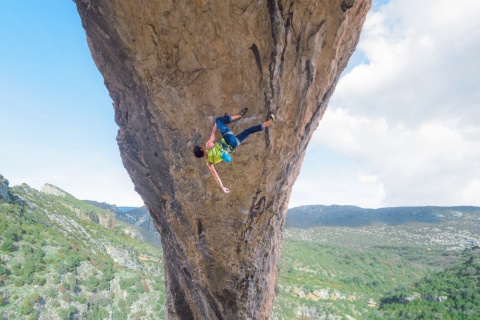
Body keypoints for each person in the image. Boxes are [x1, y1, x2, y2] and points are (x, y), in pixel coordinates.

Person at [193, 108, 276, 193]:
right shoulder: (208, 146)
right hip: (228, 138)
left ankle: (270, 122)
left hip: (233, 145)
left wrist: (223, 188)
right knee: (218, 120)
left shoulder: (209, 163)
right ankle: (239, 116)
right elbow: (213, 133)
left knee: (248, 131)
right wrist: (216, 124)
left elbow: (215, 176)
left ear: (200, 156)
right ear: (201, 148)